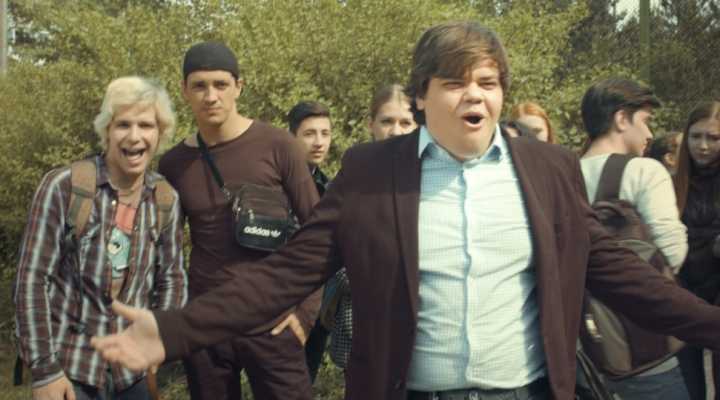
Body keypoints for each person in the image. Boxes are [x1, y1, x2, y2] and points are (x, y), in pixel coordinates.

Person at [93, 22, 720, 400]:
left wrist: (711, 325)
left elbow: (617, 271)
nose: (475, 95)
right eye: (455, 83)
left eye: (488, 82)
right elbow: (284, 274)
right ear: (421, 96)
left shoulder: (548, 169)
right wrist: (173, 331)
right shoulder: (372, 173)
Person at [156, 42, 320, 400]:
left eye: (220, 84)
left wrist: (305, 314)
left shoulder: (278, 146)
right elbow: (163, 252)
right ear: (184, 91)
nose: (210, 96)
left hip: (274, 322)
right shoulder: (173, 164)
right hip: (207, 325)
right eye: (199, 86)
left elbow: (320, 233)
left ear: (239, 87)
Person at [14, 76, 187, 400]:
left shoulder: (165, 198)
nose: (134, 136)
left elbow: (172, 278)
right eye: (123, 124)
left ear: (160, 132)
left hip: (131, 374)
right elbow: (32, 280)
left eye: (146, 125)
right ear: (107, 130)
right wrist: (44, 371)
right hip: (69, 371)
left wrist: (159, 340)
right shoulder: (65, 186)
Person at [579, 78, 689, 399]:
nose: (650, 134)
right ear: (621, 119)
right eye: (645, 120)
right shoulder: (644, 171)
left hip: (586, 350)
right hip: (645, 345)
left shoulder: (562, 172)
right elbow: (672, 251)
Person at [674, 100, 720, 400]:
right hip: (683, 292)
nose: (703, 146)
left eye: (713, 138)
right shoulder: (670, 183)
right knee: (688, 387)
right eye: (696, 136)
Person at [286, 100, 333, 383]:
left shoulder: (331, 188)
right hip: (276, 307)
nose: (319, 142)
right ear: (292, 137)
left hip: (316, 312)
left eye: (325, 133)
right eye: (309, 133)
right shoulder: (275, 184)